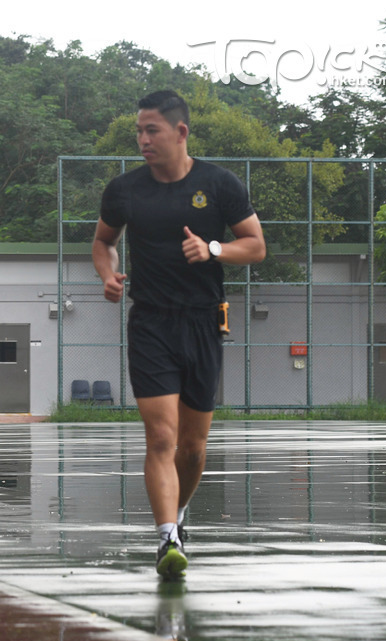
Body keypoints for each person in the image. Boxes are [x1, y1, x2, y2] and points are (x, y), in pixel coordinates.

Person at [91, 90, 265, 580]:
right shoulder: (125, 189)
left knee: (192, 447)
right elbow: (104, 241)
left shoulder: (219, 183)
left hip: (204, 321)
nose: (143, 140)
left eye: (153, 131)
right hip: (150, 321)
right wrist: (108, 273)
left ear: (180, 132)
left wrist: (212, 249)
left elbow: (255, 246)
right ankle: (167, 536)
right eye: (139, 132)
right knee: (161, 437)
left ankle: (179, 515)